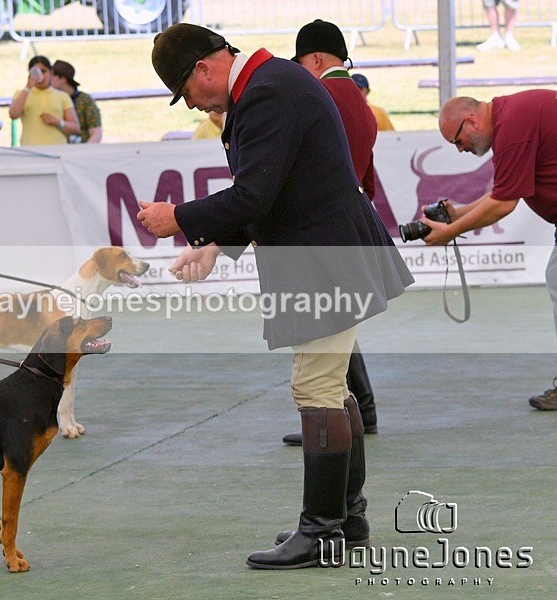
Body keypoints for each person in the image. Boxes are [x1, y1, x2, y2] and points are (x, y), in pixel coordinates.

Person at [138, 23, 412, 570]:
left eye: (186, 94)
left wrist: (179, 218)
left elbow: (255, 191)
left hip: (322, 259)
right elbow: (276, 188)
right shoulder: (272, 83)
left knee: (315, 388)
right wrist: (214, 244)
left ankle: (323, 531)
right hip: (327, 253)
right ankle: (345, 517)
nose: (193, 107)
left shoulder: (266, 92)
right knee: (330, 386)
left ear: (204, 69)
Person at [280, 19, 380, 448]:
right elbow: (367, 178)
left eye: (301, 63)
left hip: (318, 231)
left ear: (316, 58)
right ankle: (361, 413)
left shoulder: (320, 95)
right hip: (350, 223)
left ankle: (328, 430)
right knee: (340, 337)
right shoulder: (361, 102)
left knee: (320, 366)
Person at [424, 92, 557, 410]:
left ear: (470, 121)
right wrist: (458, 214)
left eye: (457, 141)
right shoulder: (510, 119)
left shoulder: (513, 126)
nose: (461, 149)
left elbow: (503, 205)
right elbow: (502, 192)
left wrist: (450, 231)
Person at [8, 56, 79, 146]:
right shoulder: (21, 94)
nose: (40, 76)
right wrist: (27, 88)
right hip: (30, 149)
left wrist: (57, 122)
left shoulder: (62, 96)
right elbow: (13, 114)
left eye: (43, 71)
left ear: (51, 72)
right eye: (35, 72)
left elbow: (75, 128)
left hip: (57, 148)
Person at [50, 59, 102, 143]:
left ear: (63, 79)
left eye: (52, 76)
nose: (48, 79)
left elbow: (96, 133)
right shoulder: (50, 99)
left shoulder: (85, 100)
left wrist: (85, 152)